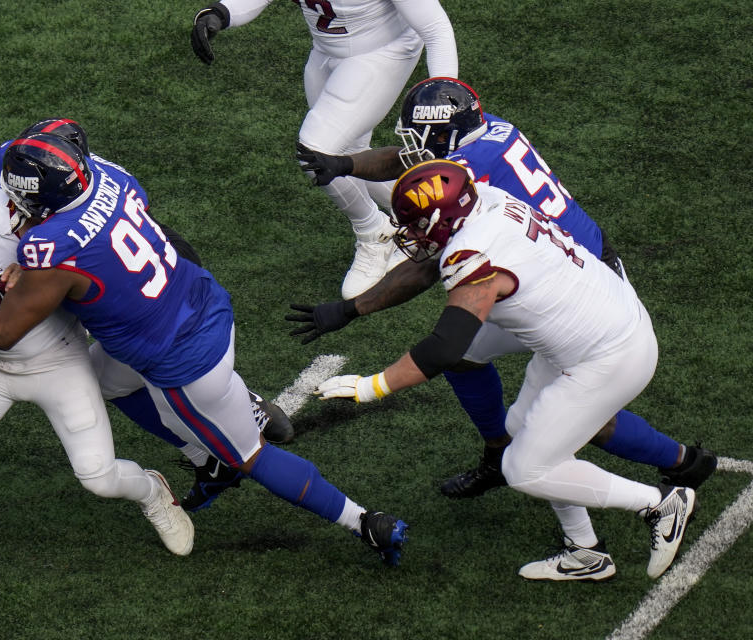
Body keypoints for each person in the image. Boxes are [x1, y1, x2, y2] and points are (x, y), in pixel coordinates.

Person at [0, 131, 409, 566]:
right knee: (105, 382)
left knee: (248, 455)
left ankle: (360, 521)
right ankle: (207, 454)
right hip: (199, 298)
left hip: (177, 359)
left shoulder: (51, 249)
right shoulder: (108, 176)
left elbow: (3, 332)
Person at [292, 77, 716, 499]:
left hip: (576, 289)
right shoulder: (485, 131)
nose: (411, 149)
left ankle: (681, 467)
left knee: (574, 421)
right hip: (551, 262)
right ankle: (499, 455)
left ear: (445, 135)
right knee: (468, 361)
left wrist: (352, 311)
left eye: (423, 138)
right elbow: (414, 159)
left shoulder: (466, 177)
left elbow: (423, 270)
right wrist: (346, 166)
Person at [315, 159, 696, 580]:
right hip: (602, 319)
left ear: (444, 217)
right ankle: (585, 552)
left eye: (419, 224)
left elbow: (445, 347)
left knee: (523, 468)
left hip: (608, 354)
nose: (413, 234)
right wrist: (353, 308)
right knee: (522, 428)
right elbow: (426, 269)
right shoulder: (490, 200)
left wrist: (371, 387)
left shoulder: (473, 253)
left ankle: (660, 503)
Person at [0, 118, 295, 506]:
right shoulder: (16, 178)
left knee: (157, 353)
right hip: (52, 270)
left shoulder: (96, 201)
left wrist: (30, 270)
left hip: (93, 279)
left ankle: (240, 401)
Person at [0, 154, 195, 585]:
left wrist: (29, 263)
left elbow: (61, 245)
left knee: (98, 476)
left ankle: (154, 491)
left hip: (58, 355)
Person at [190, 0, 458, 299]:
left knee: (317, 151)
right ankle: (432, 210)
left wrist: (443, 97)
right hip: (327, 51)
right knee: (351, 151)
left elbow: (436, 29)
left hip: (381, 51)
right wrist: (220, 14)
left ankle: (374, 232)